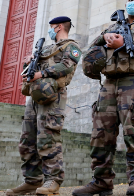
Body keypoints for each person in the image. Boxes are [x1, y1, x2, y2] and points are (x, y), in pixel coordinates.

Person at [74, 0, 134, 196]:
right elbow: (92, 48)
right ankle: (101, 181)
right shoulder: (114, 26)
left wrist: (124, 44)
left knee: (133, 131)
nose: (133, 3)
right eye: (130, 0)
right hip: (109, 83)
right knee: (100, 134)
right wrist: (104, 37)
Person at [7, 17, 81, 196]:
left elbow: (66, 67)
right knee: (27, 140)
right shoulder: (46, 49)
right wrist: (29, 63)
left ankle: (53, 180)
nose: (50, 30)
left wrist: (41, 73)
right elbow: (32, 72)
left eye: (51, 27)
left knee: (48, 137)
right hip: (35, 96)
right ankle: (31, 181)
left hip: (53, 96)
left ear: (59, 27)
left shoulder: (71, 46)